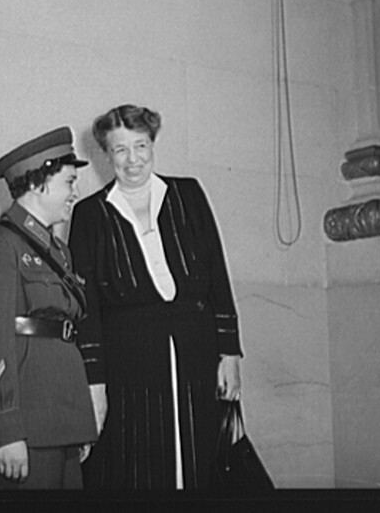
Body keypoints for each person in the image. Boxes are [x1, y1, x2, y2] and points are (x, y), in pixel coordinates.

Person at [68, 104, 243, 490]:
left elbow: (217, 273)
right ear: (106, 154)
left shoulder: (188, 194)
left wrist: (229, 352)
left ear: (153, 145)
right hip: (129, 363)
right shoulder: (89, 215)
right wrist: (95, 383)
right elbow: (87, 308)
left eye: (141, 146)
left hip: (197, 353)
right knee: (137, 465)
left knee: (202, 458)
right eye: (120, 150)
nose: (133, 160)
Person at [0, 127, 98, 490]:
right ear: (39, 183)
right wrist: (6, 429)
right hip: (27, 426)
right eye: (69, 181)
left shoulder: (59, 251)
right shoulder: (0, 245)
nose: (75, 193)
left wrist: (78, 423)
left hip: (62, 420)